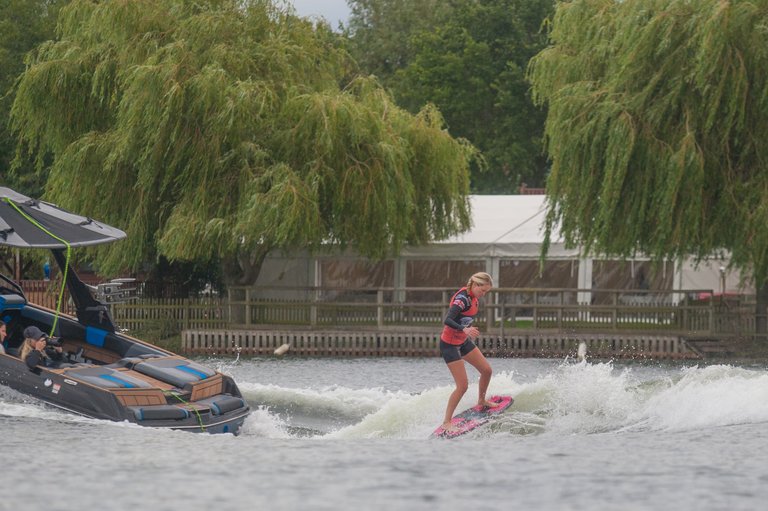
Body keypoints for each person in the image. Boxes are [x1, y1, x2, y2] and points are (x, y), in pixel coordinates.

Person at [439, 272, 497, 431]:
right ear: (476, 285)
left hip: (462, 341)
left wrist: (464, 332)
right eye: (483, 291)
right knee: (462, 386)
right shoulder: (462, 299)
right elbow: (448, 319)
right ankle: (446, 422)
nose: (483, 294)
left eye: (486, 292)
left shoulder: (473, 297)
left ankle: (481, 401)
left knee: (486, 370)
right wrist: (464, 329)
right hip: (449, 344)